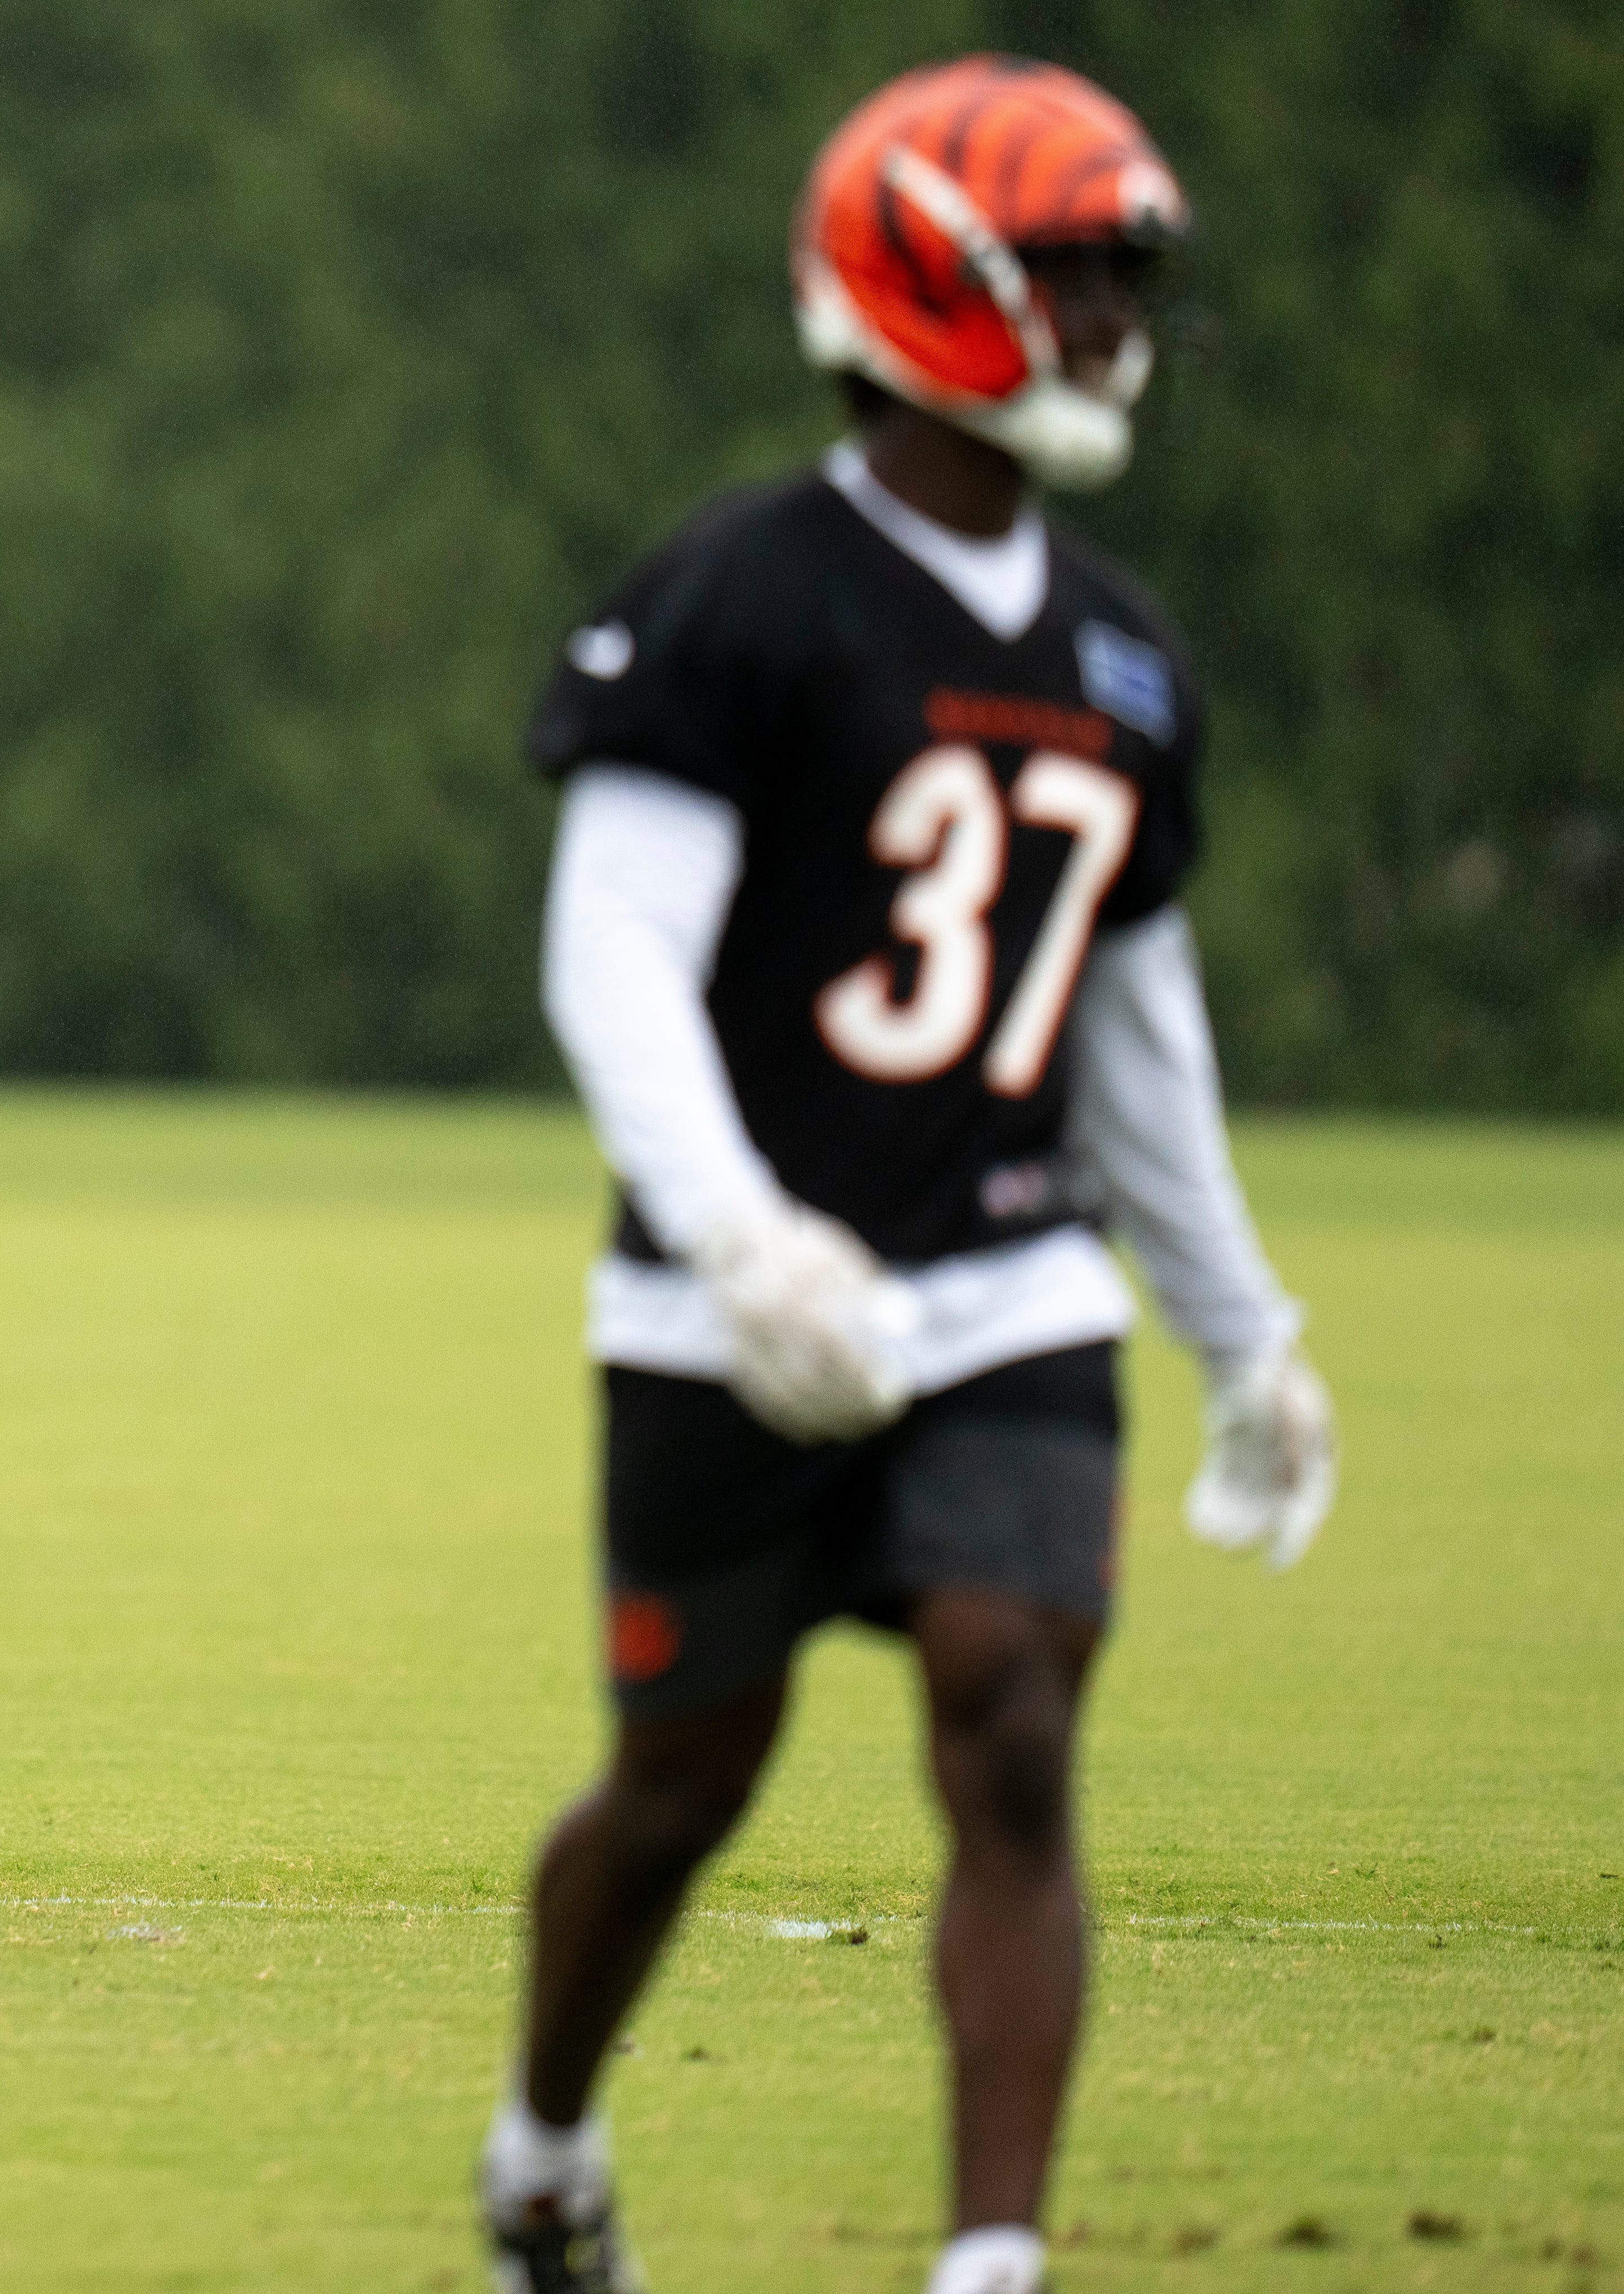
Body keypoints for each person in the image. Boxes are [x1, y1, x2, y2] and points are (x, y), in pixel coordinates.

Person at [479, 61, 1338, 2294]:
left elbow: (1138, 1035)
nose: (1116, 320)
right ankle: (547, 2153)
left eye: (1128, 276)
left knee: (1015, 1718)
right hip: (724, 1300)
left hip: (1008, 1278)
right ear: (941, 285)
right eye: (1076, 273)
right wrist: (740, 1233)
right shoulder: (744, 592)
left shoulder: (1128, 651)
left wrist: (1247, 1334)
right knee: (681, 1783)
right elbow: (613, 960)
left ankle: (988, 2262)